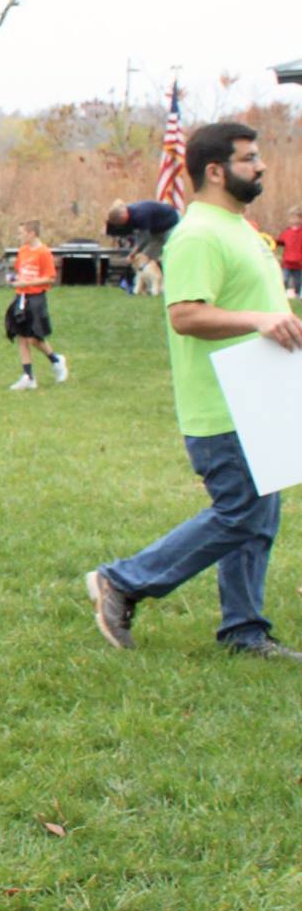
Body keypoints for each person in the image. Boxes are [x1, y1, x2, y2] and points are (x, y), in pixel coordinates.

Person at [87, 122, 302, 661]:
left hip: (262, 396)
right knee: (241, 513)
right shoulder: (199, 234)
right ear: (215, 171)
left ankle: (245, 631)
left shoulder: (239, 228)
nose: (261, 166)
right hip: (223, 404)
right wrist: (259, 320)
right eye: (249, 158)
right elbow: (185, 315)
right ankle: (124, 580)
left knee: (258, 519)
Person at [4, 220, 67, 390]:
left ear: (32, 234)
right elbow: (20, 271)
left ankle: (56, 360)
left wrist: (28, 283)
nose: (19, 236)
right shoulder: (23, 251)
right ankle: (28, 376)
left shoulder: (43, 253)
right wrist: (15, 280)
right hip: (21, 296)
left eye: (22, 233)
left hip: (36, 297)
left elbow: (49, 278)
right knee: (21, 336)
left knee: (33, 337)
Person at [105, 198, 182, 296]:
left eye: (120, 224)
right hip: (156, 232)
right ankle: (141, 288)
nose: (122, 226)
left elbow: (145, 238)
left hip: (172, 223)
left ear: (123, 217)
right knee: (145, 259)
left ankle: (175, 287)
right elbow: (140, 236)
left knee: (171, 257)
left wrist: (132, 254)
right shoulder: (129, 215)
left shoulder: (140, 214)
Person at [275, 207, 302, 299]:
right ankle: (282, 295)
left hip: (298, 264)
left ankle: (298, 295)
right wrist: (271, 242)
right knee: (284, 279)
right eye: (291, 218)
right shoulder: (287, 232)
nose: (293, 220)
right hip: (286, 263)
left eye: (296, 218)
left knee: (297, 282)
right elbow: (279, 242)